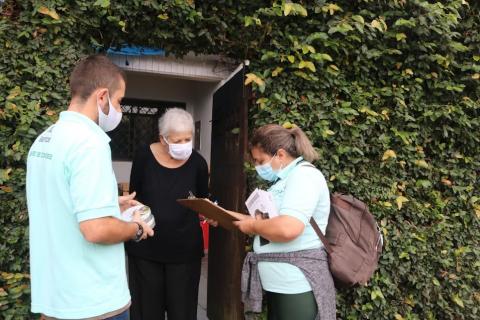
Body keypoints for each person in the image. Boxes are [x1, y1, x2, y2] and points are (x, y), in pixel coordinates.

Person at [26, 54, 154, 320]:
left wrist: (109, 202)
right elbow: (96, 229)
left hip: (55, 300)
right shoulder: (89, 143)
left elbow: (59, 201)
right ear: (102, 96)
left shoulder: (45, 140)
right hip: (94, 303)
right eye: (119, 101)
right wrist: (136, 229)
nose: (119, 110)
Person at [233, 124, 336, 320]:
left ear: (280, 155)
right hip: (281, 283)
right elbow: (267, 222)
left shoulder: (305, 176)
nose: (257, 167)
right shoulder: (284, 181)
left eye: (260, 160)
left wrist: (253, 226)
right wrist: (220, 214)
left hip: (296, 283)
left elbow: (288, 228)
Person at [126, 108, 209, 320]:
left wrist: (212, 213)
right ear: (163, 139)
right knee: (147, 312)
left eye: (188, 139)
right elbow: (135, 198)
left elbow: (202, 199)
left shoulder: (198, 163)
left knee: (182, 312)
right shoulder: (144, 156)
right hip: (146, 249)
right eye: (177, 140)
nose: (184, 145)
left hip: (185, 252)